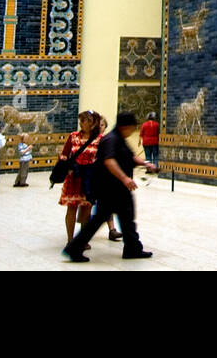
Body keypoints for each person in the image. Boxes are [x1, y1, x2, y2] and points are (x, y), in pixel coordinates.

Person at [63, 112, 157, 261]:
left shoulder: (119, 139)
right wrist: (125, 178)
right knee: (99, 219)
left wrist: (145, 163)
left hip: (118, 189)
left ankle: (132, 248)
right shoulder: (111, 140)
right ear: (125, 126)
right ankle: (74, 248)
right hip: (109, 188)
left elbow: (129, 156)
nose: (133, 130)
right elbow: (109, 161)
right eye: (132, 127)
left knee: (126, 217)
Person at [58, 111, 108, 246]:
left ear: (93, 123)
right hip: (74, 177)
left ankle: (82, 240)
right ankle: (70, 240)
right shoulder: (73, 137)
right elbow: (64, 154)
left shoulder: (100, 139)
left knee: (86, 209)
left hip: (90, 178)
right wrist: (64, 163)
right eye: (81, 120)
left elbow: (103, 159)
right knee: (72, 208)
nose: (81, 123)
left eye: (84, 120)